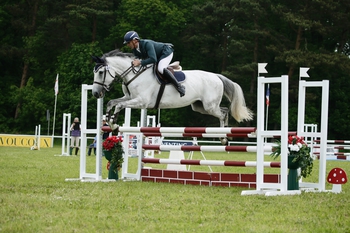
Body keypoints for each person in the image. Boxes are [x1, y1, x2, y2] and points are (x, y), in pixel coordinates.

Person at [123, 30, 185, 97]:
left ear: (134, 41)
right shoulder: (134, 49)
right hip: (157, 56)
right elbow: (137, 57)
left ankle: (179, 86)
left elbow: (153, 59)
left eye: (128, 43)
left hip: (165, 53)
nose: (127, 45)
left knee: (161, 69)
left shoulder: (147, 44)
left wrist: (140, 62)